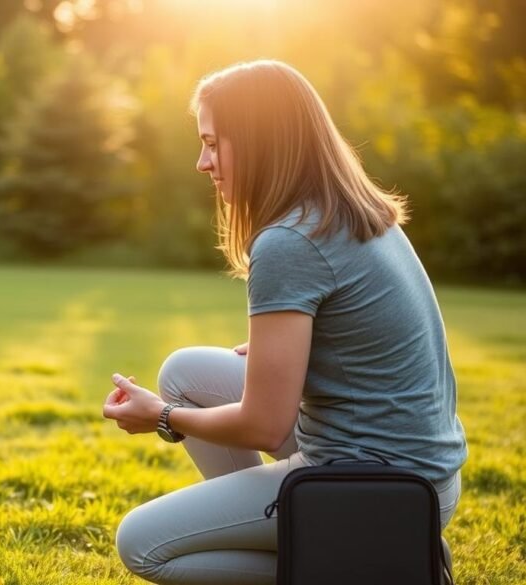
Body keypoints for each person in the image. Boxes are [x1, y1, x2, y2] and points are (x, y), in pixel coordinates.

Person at [102, 60, 467, 585]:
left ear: (258, 143)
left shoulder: (289, 241)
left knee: (142, 544)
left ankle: (368, 564)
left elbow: (263, 425)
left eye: (212, 142)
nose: (201, 163)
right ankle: (322, 532)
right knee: (184, 372)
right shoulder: (350, 210)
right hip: (421, 475)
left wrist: (162, 417)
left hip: (380, 487)